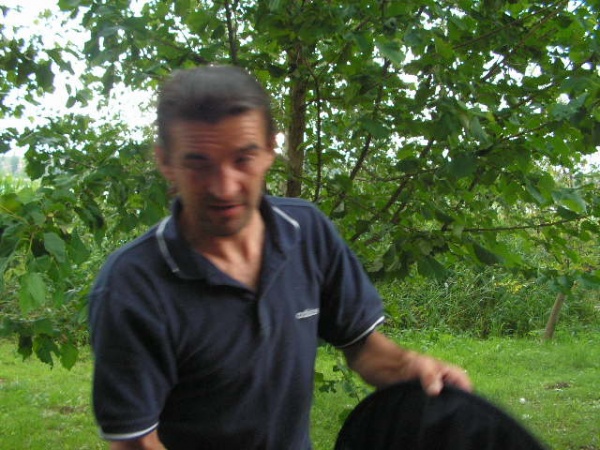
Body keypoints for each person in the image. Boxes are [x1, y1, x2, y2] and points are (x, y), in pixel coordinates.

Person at [89, 65, 472, 450]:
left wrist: (410, 368)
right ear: (165, 162)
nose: (224, 187)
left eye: (243, 159)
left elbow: (362, 346)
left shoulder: (307, 231)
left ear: (271, 150)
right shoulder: (132, 286)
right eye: (198, 163)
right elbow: (136, 443)